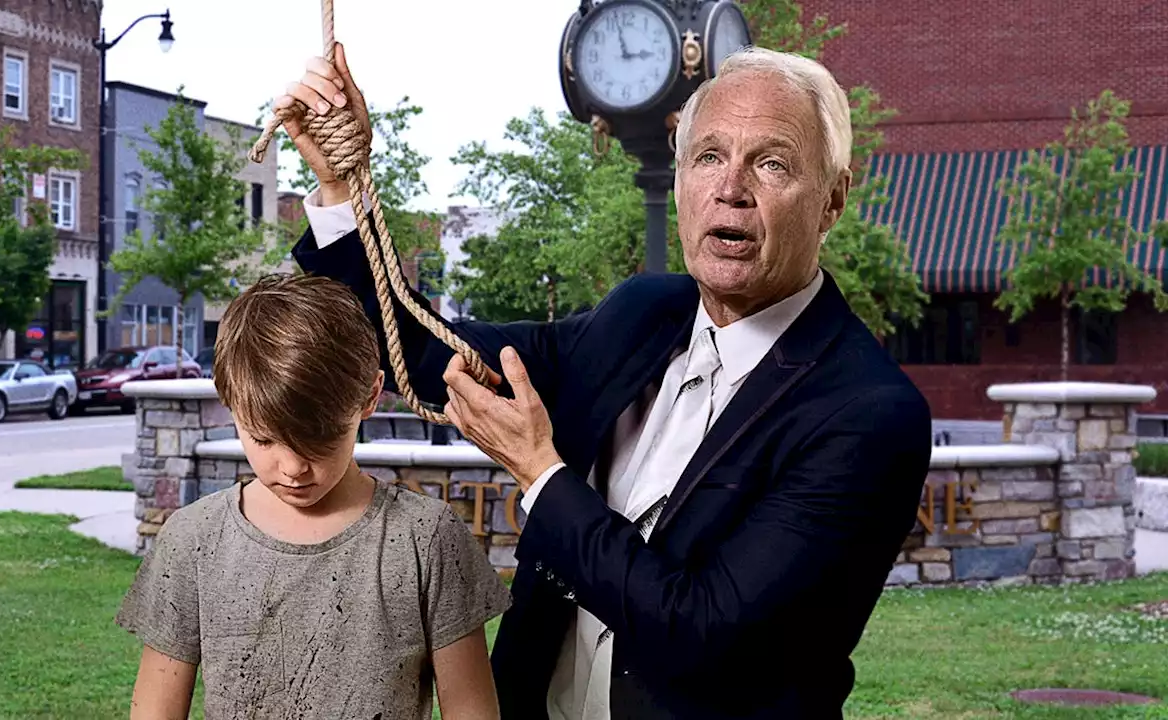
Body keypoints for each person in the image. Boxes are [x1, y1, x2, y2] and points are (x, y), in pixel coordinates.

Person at [279, 43, 932, 719]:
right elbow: (423, 350)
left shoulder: (869, 414)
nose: (730, 187)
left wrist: (540, 475)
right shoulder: (639, 315)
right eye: (709, 156)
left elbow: (701, 633)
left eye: (771, 164)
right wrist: (338, 188)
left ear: (831, 201)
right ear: (681, 180)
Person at [114, 273, 511, 720]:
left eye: (318, 438)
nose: (293, 467)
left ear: (370, 396)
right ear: (228, 401)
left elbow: (472, 711)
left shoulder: (428, 539)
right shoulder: (192, 541)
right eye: (264, 440)